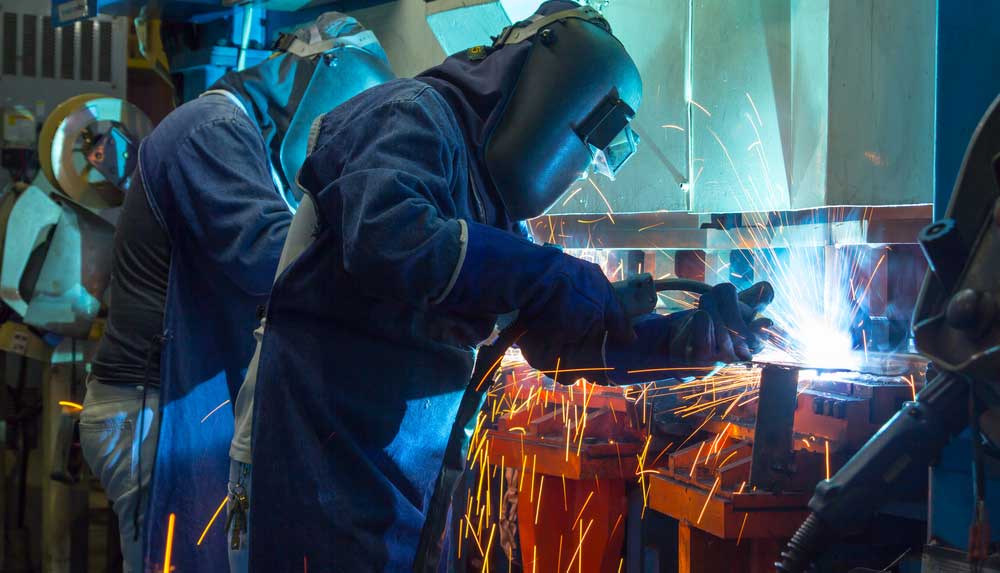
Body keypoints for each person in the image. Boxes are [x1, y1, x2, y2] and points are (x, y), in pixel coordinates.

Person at [248, 2, 771, 571]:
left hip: (400, 484)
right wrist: (546, 274)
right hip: (319, 467)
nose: (578, 171)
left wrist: (678, 342)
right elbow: (388, 238)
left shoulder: (491, 206)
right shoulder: (409, 115)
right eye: (585, 146)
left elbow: (555, 345)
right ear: (553, 91)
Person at [78, 13, 392, 573]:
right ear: (321, 82)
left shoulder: (242, 144)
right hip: (152, 411)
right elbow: (271, 258)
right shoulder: (211, 130)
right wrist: (399, 261)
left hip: (180, 403)